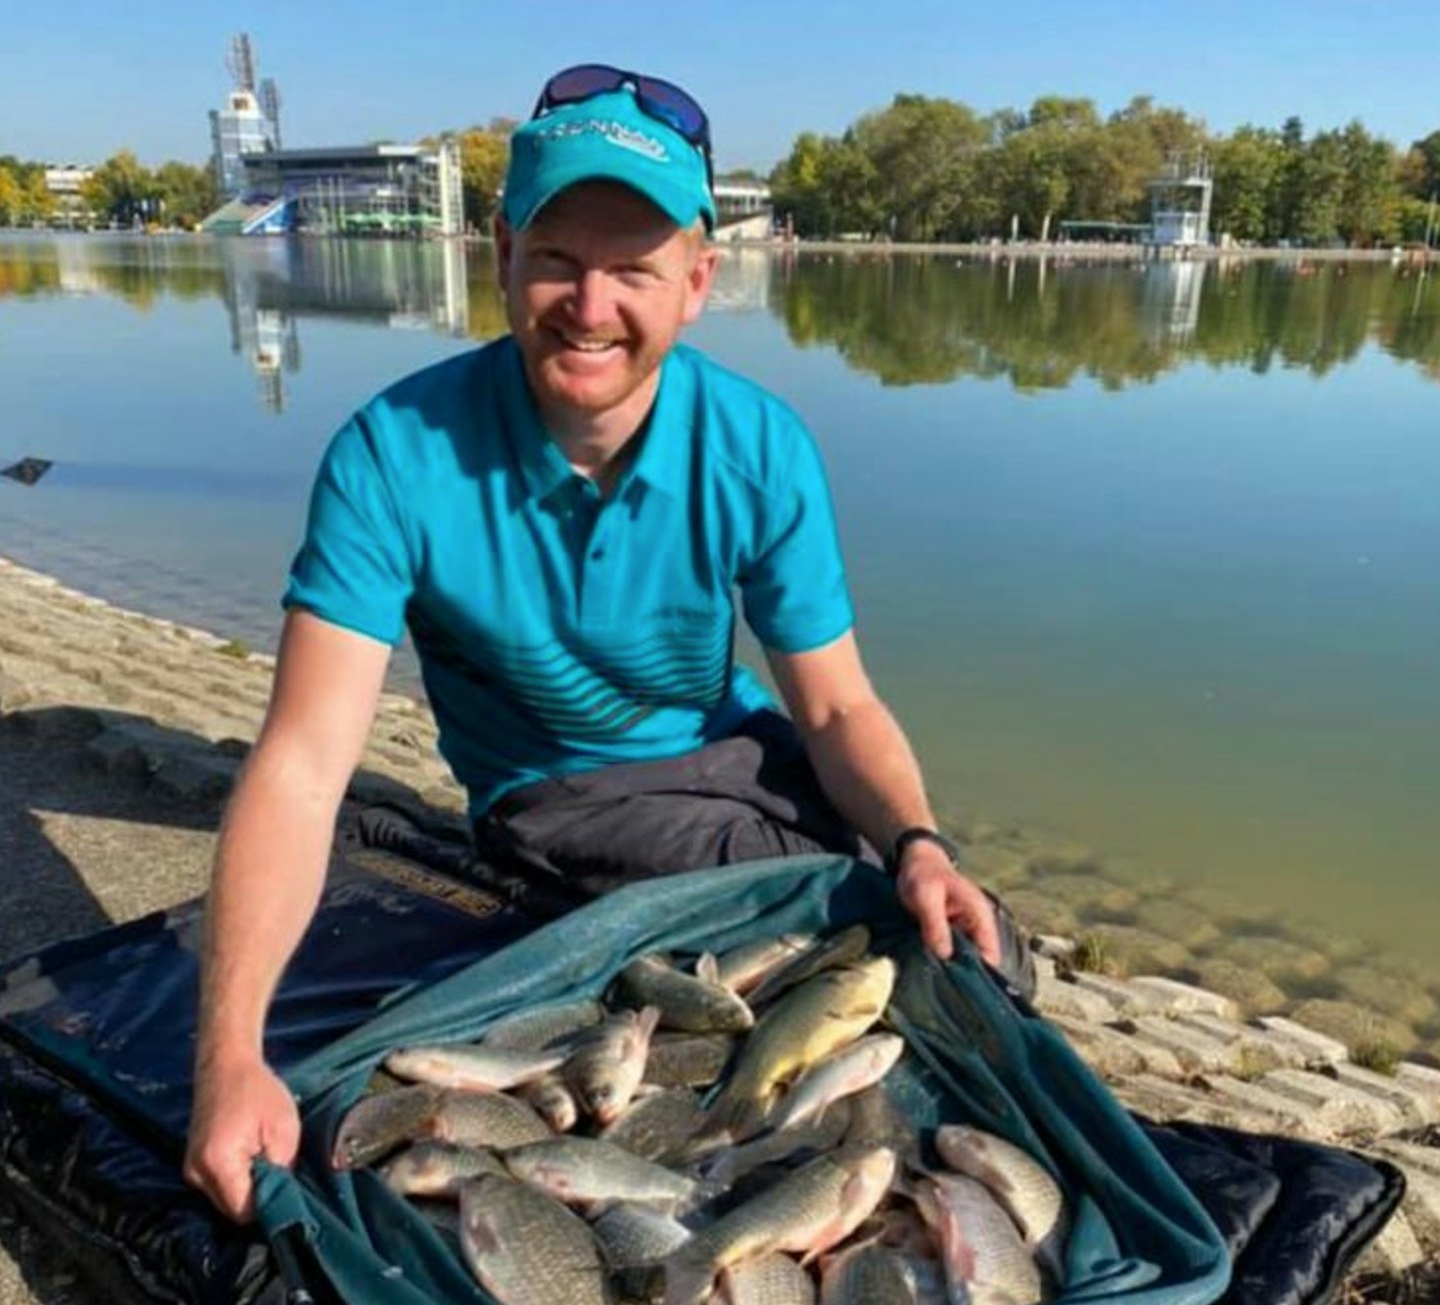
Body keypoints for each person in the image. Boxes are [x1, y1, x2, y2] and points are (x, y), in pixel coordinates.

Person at [184, 63, 1030, 1224]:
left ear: (696, 281)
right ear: (502, 258)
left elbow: (834, 711)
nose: (590, 306)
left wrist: (924, 843)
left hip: (737, 746)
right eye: (558, 260)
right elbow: (300, 764)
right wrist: (231, 1052)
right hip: (561, 790)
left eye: (633, 267)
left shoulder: (760, 445)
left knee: (966, 940)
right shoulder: (394, 454)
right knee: (818, 928)